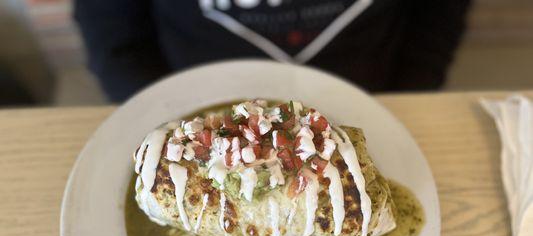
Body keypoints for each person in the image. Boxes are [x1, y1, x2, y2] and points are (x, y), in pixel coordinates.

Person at [74, 0, 471, 102]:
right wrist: (160, 117)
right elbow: (113, 37)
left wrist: (407, 98)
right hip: (194, 104)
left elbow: (438, 17)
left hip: (373, 92)